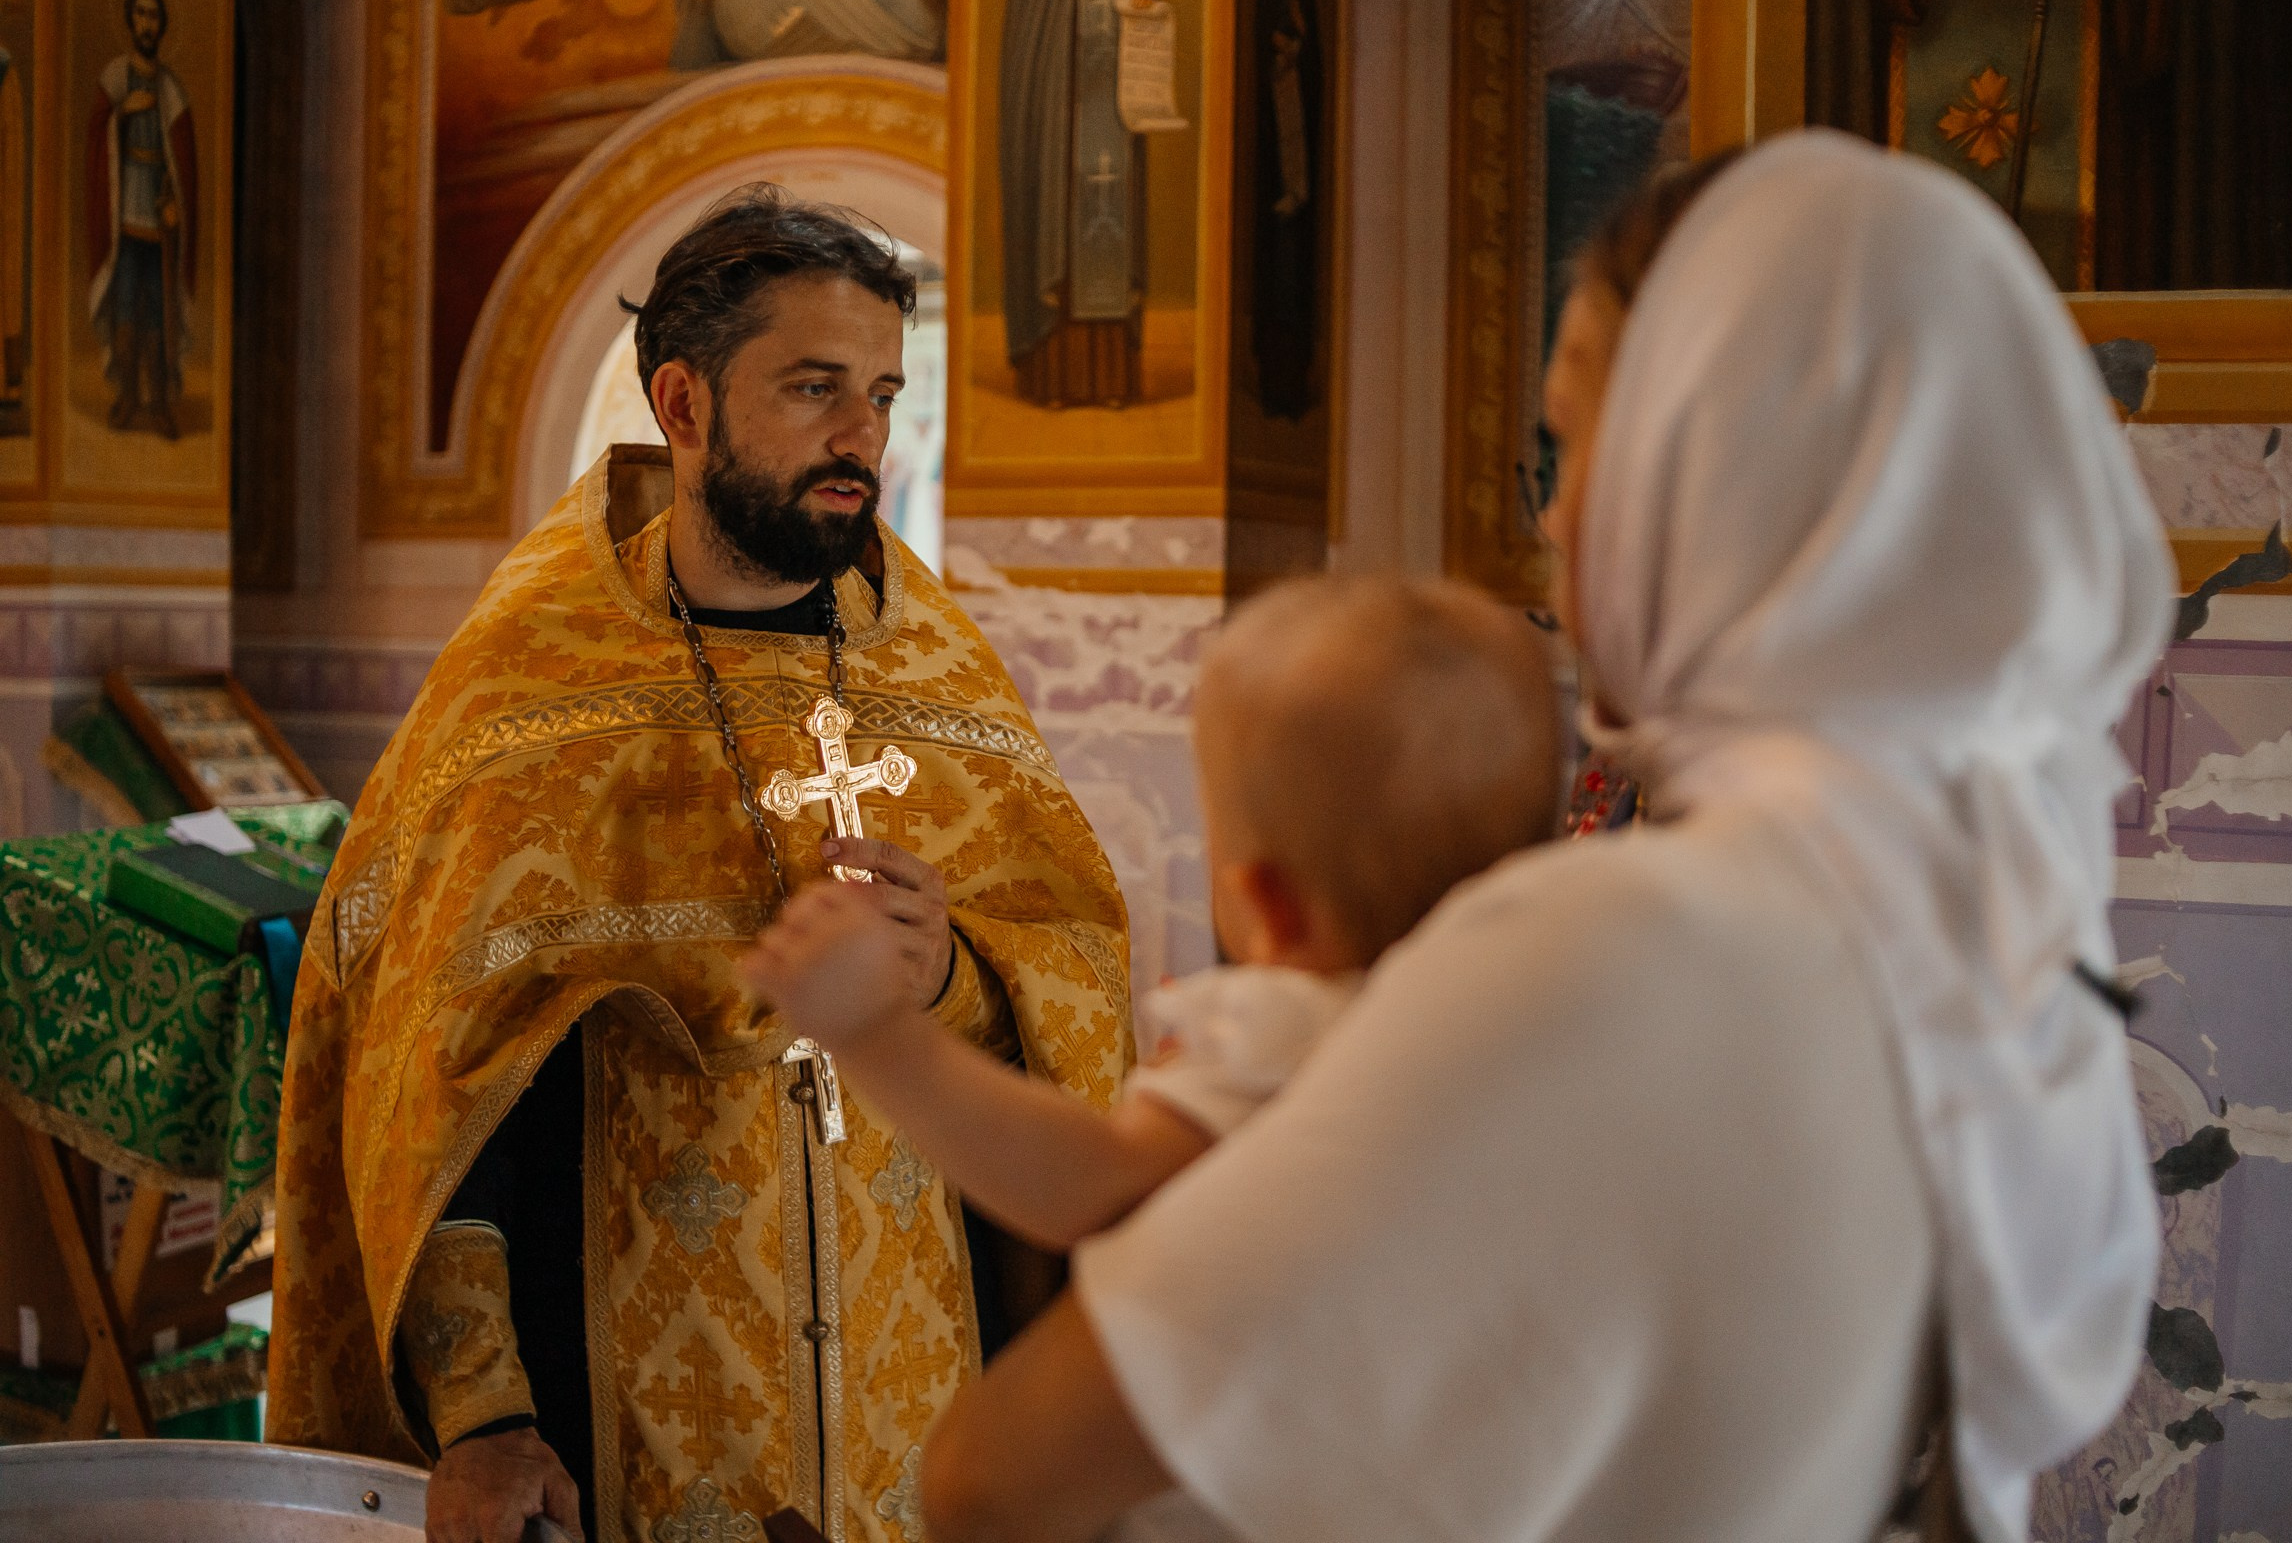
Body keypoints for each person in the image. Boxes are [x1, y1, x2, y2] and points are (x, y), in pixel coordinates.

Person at [908, 131, 2174, 1543]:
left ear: (1730, 468)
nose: (1557, 513)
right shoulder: (1983, 904)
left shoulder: (1633, 944)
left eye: (1576, 444)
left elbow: (995, 1481)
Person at [267, 188, 1135, 1543]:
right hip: (630, 1429)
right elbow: (426, 1081)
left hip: (913, 1416)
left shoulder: (935, 662)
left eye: (884, 393)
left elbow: (1067, 978)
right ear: (682, 405)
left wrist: (950, 977)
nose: (863, 437)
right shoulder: (526, 685)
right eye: (812, 388)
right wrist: (485, 1415)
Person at [736, 569, 1558, 1310]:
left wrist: (874, 1030)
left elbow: (1085, 1187)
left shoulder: (1292, 1033)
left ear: (1262, 901)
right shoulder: (1532, 1021)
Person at [85, 0, 197, 439]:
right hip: (123, 221)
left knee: (160, 317)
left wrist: (176, 206)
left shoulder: (171, 87)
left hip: (160, 222)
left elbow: (182, 161)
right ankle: (129, 397)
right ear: (130, 21)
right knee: (127, 312)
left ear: (162, 25)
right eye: (140, 14)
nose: (147, 24)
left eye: (154, 16)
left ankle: (159, 402)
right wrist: (122, 113)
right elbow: (96, 139)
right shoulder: (115, 77)